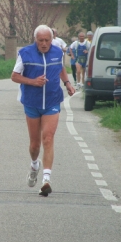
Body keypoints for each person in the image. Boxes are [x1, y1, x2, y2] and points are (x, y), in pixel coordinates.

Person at [11, 25, 75, 197]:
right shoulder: (25, 53)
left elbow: (60, 67)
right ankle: (34, 165)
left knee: (48, 138)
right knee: (34, 145)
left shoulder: (57, 52)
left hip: (52, 100)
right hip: (32, 102)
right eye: (41, 41)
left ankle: (46, 180)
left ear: (51, 39)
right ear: (35, 40)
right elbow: (14, 76)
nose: (44, 44)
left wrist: (67, 83)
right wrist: (33, 81)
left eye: (47, 40)